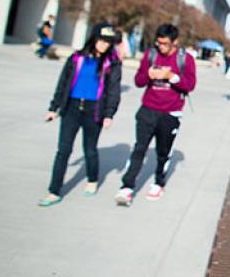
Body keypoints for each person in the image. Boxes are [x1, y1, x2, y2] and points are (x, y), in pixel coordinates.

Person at [38, 23, 122, 206]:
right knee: (63, 151)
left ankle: (92, 180)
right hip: (71, 109)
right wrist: (54, 107)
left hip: (94, 111)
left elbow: (114, 90)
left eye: (108, 42)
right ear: (93, 38)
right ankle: (54, 191)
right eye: (102, 40)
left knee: (90, 149)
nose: (105, 45)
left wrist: (109, 114)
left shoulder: (112, 63)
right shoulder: (76, 58)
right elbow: (63, 83)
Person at [115, 24, 197, 206]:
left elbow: (190, 85)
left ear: (175, 42)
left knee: (163, 152)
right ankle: (127, 187)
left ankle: (159, 182)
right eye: (159, 43)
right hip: (148, 110)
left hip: (170, 114)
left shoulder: (186, 59)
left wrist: (172, 77)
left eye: (165, 43)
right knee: (139, 149)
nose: (161, 47)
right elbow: (138, 81)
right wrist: (148, 75)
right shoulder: (150, 55)